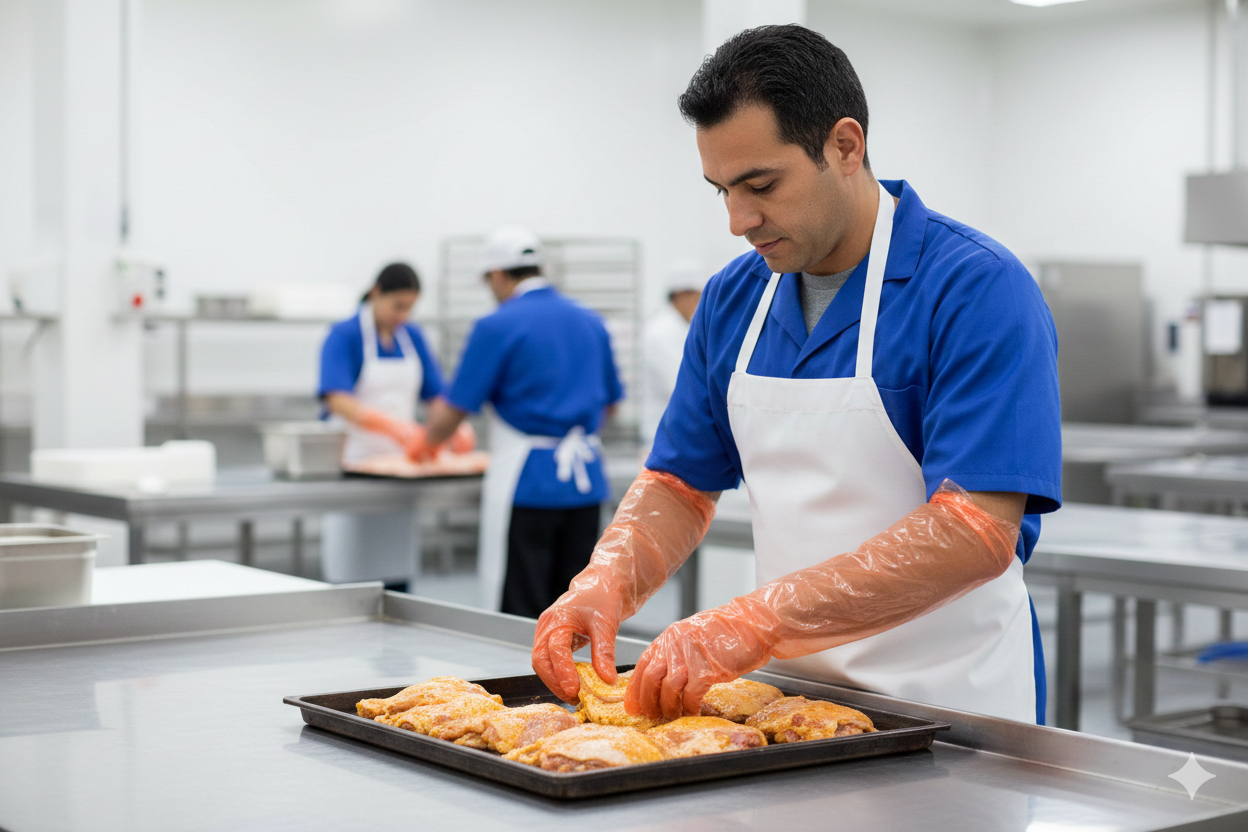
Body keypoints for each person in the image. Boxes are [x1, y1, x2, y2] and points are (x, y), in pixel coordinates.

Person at [532, 25, 1061, 725]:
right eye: (720, 190)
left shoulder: (972, 287)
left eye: (760, 185)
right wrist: (608, 580)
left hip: (952, 709)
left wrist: (754, 622)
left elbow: (975, 529)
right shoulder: (734, 298)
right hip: (793, 709)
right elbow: (680, 482)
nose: (737, 220)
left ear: (845, 146)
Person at [418, 226, 626, 618]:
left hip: (527, 483)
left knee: (520, 607)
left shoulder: (497, 325)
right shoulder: (591, 321)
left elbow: (455, 408)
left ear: (498, 275)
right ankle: (576, 680)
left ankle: (522, 681)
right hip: (586, 486)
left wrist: (425, 444)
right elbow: (612, 406)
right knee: (575, 607)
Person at [317, 262, 446, 591]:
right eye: (397, 306)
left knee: (396, 565)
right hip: (353, 465)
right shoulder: (345, 335)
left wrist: (452, 429)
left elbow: (436, 396)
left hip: (400, 467)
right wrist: (389, 426)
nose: (402, 314)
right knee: (353, 571)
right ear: (376, 293)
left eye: (410, 308)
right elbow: (336, 399)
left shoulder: (412, 337)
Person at [639, 261, 707, 455]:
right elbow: (683, 385)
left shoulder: (683, 328)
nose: (701, 304)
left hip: (682, 439)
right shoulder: (662, 332)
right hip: (667, 442)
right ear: (680, 295)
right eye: (697, 297)